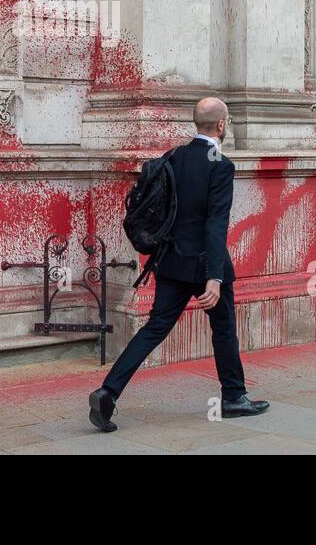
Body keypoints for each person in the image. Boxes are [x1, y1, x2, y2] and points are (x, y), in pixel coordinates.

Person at [89, 97, 270, 432]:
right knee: (224, 329)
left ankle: (107, 392)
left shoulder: (172, 157)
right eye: (226, 121)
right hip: (204, 265)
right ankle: (232, 397)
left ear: (195, 123)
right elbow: (215, 224)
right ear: (220, 125)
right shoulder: (221, 165)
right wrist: (214, 277)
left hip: (171, 261)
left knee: (154, 329)